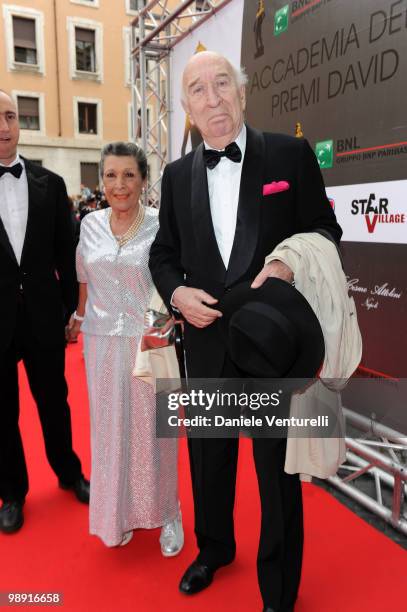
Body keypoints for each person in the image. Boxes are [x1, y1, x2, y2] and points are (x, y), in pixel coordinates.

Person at [149, 52, 342, 611]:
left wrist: (289, 263)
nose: (213, 98)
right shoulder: (176, 174)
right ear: (185, 107)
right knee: (209, 458)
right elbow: (164, 254)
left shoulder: (289, 154)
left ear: (242, 91)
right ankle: (213, 549)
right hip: (205, 340)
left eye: (222, 84)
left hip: (274, 343)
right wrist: (177, 293)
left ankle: (279, 587)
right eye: (198, 90)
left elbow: (326, 231)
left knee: (275, 469)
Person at [68, 142, 183, 552]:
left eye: (129, 175)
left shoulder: (160, 224)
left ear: (143, 180)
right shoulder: (89, 224)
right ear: (102, 180)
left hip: (151, 341)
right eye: (111, 175)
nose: (120, 185)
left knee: (156, 435)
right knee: (110, 433)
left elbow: (171, 281)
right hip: (100, 344)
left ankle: (169, 513)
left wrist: (162, 327)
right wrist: (79, 318)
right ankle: (117, 515)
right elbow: (85, 277)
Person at [0, 90, 89, 535]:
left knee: (55, 402)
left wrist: (75, 310)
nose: (4, 125)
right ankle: (12, 493)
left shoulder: (50, 184)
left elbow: (66, 251)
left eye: (11, 116)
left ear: (20, 123)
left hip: (43, 315)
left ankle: (69, 473)